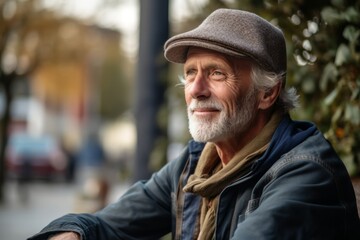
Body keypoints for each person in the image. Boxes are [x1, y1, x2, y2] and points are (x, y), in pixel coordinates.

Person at [28, 8, 360, 240]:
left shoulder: (307, 173)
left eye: (216, 73)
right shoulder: (195, 165)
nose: (197, 90)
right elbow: (108, 226)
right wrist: (73, 233)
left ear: (267, 93)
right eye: (190, 74)